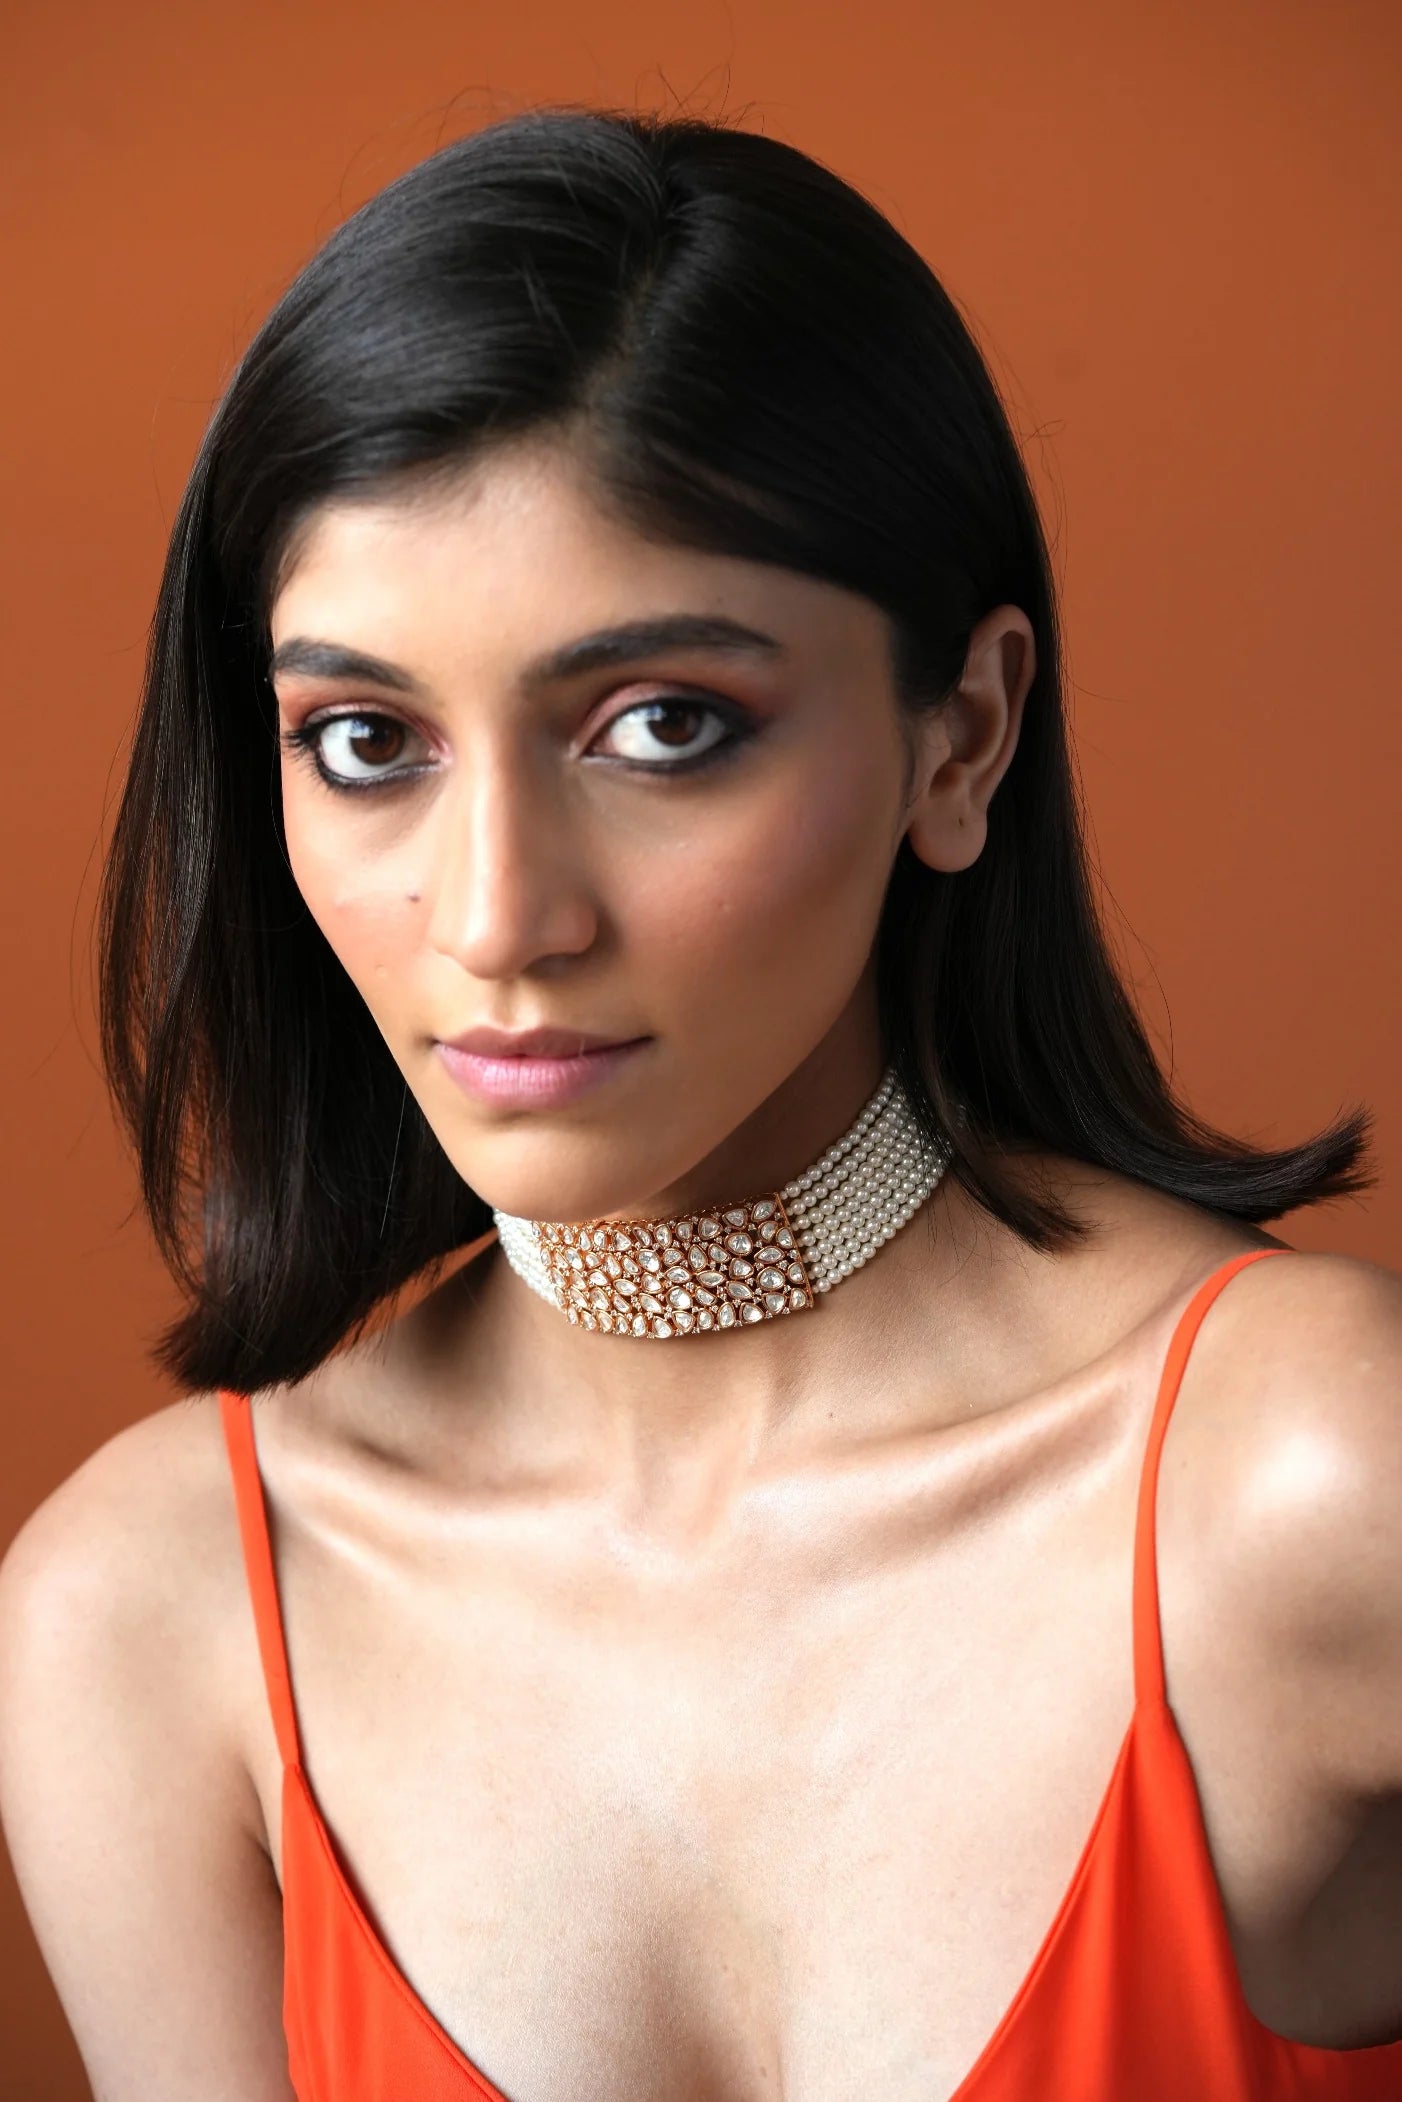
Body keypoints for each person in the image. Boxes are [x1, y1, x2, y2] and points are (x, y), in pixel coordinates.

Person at [1, 103, 1399, 2102]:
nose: (497, 916)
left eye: (662, 726)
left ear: (961, 734)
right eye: (367, 739)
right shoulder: (148, 1626)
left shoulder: (1316, 1490)